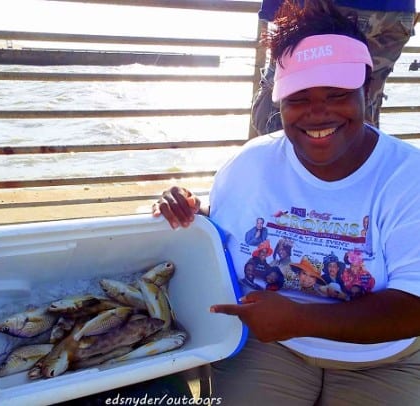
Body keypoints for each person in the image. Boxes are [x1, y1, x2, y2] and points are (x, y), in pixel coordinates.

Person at [152, 1, 420, 404]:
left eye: (337, 94)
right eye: (298, 97)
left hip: (384, 355)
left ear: (368, 90)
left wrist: (300, 319)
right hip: (271, 346)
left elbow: (413, 308)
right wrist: (187, 215)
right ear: (278, 101)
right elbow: (226, 236)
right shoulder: (248, 164)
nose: (318, 112)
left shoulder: (407, 178)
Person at [251, 0, 417, 134]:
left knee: (282, 102)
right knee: (363, 103)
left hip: (335, 7)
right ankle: (360, 173)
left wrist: (276, 8)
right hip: (399, 14)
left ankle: (283, 170)